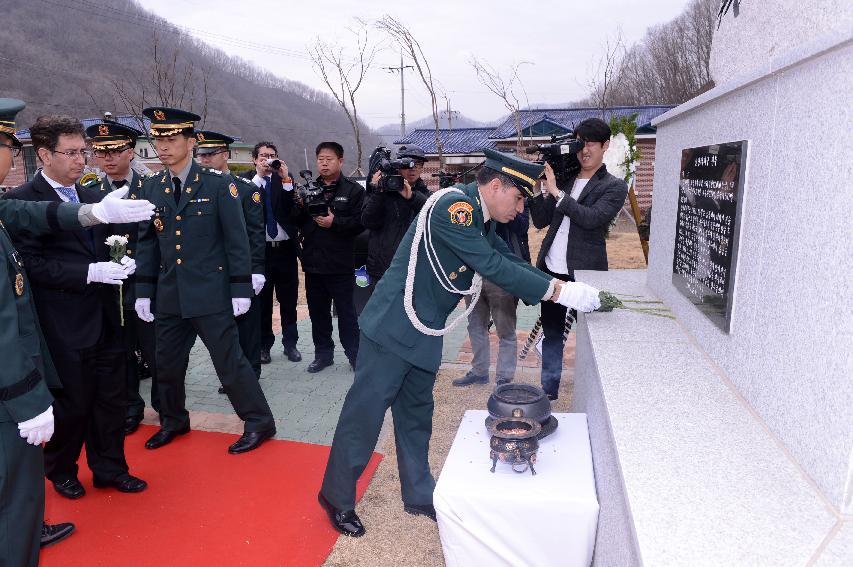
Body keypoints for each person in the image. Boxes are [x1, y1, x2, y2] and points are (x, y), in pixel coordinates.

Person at [318, 148, 601, 536]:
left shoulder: (479, 219)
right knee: (364, 415)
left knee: (417, 415)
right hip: (392, 329)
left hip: (423, 330)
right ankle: (336, 496)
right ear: (497, 185)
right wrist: (556, 293)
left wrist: (562, 286)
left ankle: (418, 493)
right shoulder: (456, 209)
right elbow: (493, 266)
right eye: (518, 198)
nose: (520, 210)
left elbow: (508, 259)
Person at [0, 98, 155, 566]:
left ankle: (109, 467)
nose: (80, 160)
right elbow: (32, 267)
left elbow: (104, 235)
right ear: (43, 155)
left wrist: (117, 264)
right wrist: (87, 274)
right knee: (71, 404)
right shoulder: (21, 201)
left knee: (112, 395)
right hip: (60, 324)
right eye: (70, 152)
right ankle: (63, 470)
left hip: (106, 317)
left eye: (82, 152)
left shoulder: (90, 195)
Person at [134, 107, 276, 454]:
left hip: (211, 293)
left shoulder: (217, 185)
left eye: (171, 139)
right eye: (158, 139)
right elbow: (147, 242)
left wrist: (240, 287)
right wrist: (144, 291)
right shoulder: (153, 187)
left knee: (229, 363)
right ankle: (173, 419)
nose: (162, 146)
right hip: (170, 294)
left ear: (191, 141)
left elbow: (237, 240)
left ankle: (259, 422)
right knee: (165, 363)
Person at [529, 117, 628, 400]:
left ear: (605, 146)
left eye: (592, 144)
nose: (585, 150)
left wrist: (558, 193)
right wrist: (539, 188)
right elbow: (540, 220)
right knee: (552, 332)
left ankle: (596, 391)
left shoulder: (614, 186)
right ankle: (549, 391)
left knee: (592, 335)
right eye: (580, 143)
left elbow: (592, 218)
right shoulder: (565, 179)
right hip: (551, 269)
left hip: (585, 272)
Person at [85, 121, 160, 434]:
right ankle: (131, 407)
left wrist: (140, 266)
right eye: (102, 152)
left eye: (116, 151)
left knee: (158, 352)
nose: (108, 158)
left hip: (147, 286)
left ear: (131, 151)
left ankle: (168, 408)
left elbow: (159, 239)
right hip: (110, 288)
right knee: (120, 352)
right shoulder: (89, 193)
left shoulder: (152, 188)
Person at [195, 130, 266, 380]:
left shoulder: (245, 190)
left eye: (210, 154)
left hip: (240, 268)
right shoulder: (194, 190)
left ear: (225, 155)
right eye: (199, 155)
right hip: (211, 272)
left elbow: (256, 234)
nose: (203, 160)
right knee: (221, 327)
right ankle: (229, 375)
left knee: (246, 325)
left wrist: (256, 270)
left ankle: (250, 373)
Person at [292, 141, 364, 373]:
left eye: (329, 159)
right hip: (314, 264)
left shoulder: (353, 191)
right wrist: (299, 204)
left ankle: (355, 356)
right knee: (318, 315)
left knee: (347, 315)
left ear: (340, 161)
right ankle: (323, 355)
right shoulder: (308, 188)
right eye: (320, 159)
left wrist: (335, 222)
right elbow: (295, 220)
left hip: (341, 264)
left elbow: (361, 223)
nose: (324, 163)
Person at [453, 202, 531, 387]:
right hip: (473, 272)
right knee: (475, 327)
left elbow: (522, 226)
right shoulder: (472, 202)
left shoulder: (515, 198)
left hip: (501, 273)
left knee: (506, 330)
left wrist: (506, 208)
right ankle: (479, 371)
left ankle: (504, 377)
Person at [247, 142, 301, 364]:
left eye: (271, 156)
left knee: (289, 300)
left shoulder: (284, 180)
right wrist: (259, 176)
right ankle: (263, 346)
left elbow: (292, 211)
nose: (267, 160)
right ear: (254, 159)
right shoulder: (247, 182)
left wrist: (286, 179)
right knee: (263, 302)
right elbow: (247, 203)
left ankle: (291, 344)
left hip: (286, 250)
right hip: (261, 252)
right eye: (263, 156)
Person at [361, 144, 429, 297]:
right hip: (382, 269)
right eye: (407, 164)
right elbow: (367, 221)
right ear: (397, 166)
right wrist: (378, 191)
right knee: (381, 317)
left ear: (422, 168)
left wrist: (412, 197)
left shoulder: (425, 195)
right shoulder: (381, 191)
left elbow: (432, 217)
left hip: (414, 269)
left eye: (417, 164)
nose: (412, 169)